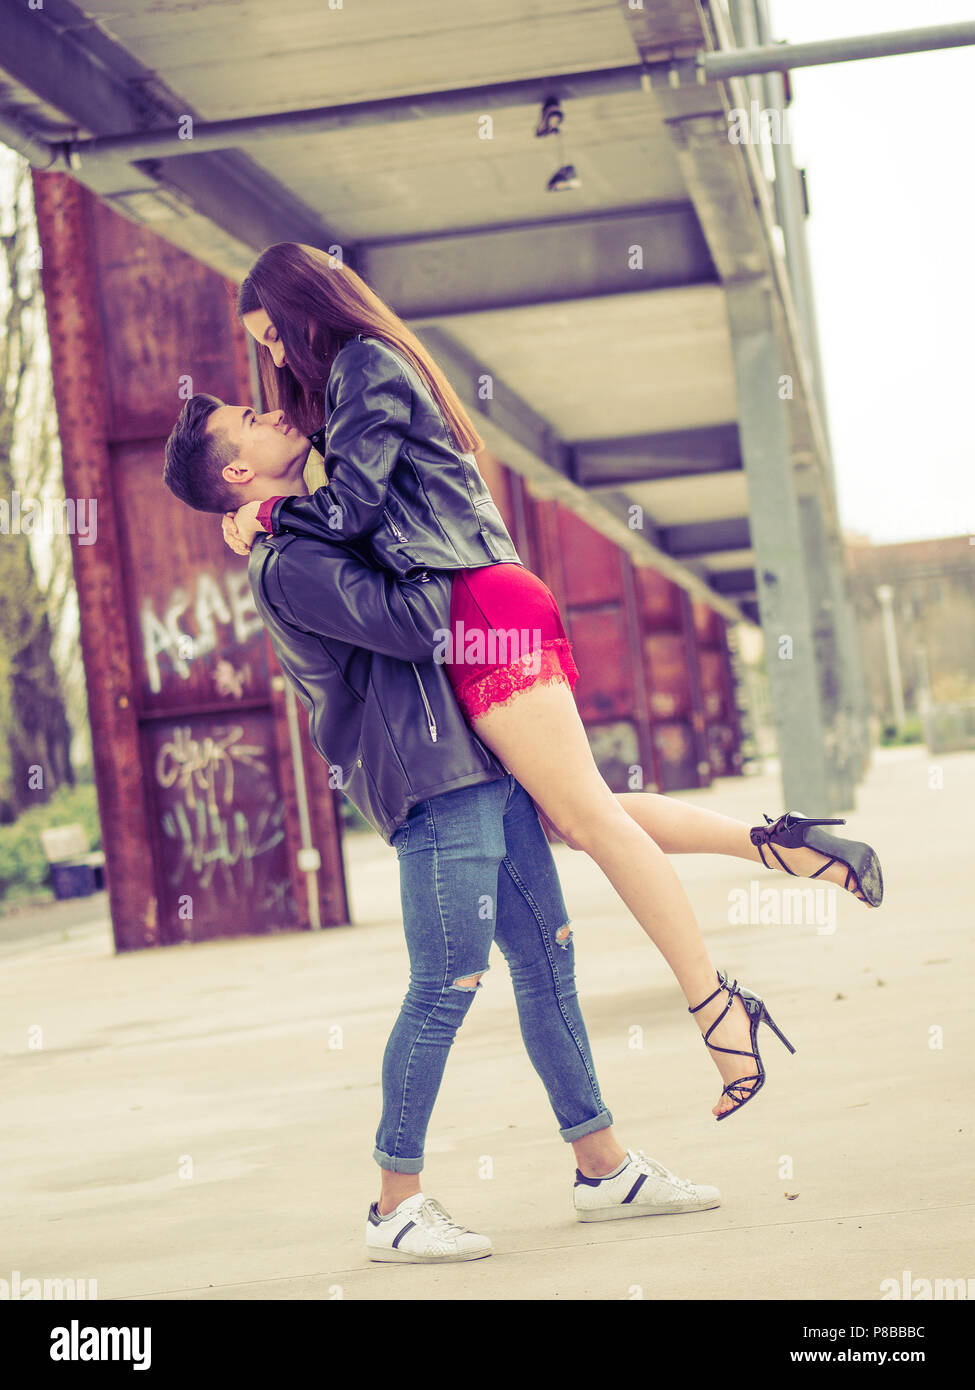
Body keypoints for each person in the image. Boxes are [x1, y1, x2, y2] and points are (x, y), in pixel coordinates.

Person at [164, 240, 885, 1131]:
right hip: (479, 599)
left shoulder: (364, 367)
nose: (272, 360)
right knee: (570, 815)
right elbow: (352, 503)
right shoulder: (351, 379)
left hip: (475, 604)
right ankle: (780, 845)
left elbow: (351, 510)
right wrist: (263, 505)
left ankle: (716, 1006)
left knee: (587, 820)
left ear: (306, 306)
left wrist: (267, 511)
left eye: (273, 337)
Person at [162, 413, 726, 1263]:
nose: (270, 412)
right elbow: (419, 624)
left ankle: (602, 1168)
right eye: (247, 421)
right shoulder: (294, 562)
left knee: (547, 962)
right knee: (444, 985)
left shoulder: (307, 527)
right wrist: (439, 545)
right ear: (237, 474)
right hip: (431, 782)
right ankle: (395, 1206)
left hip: (478, 762)